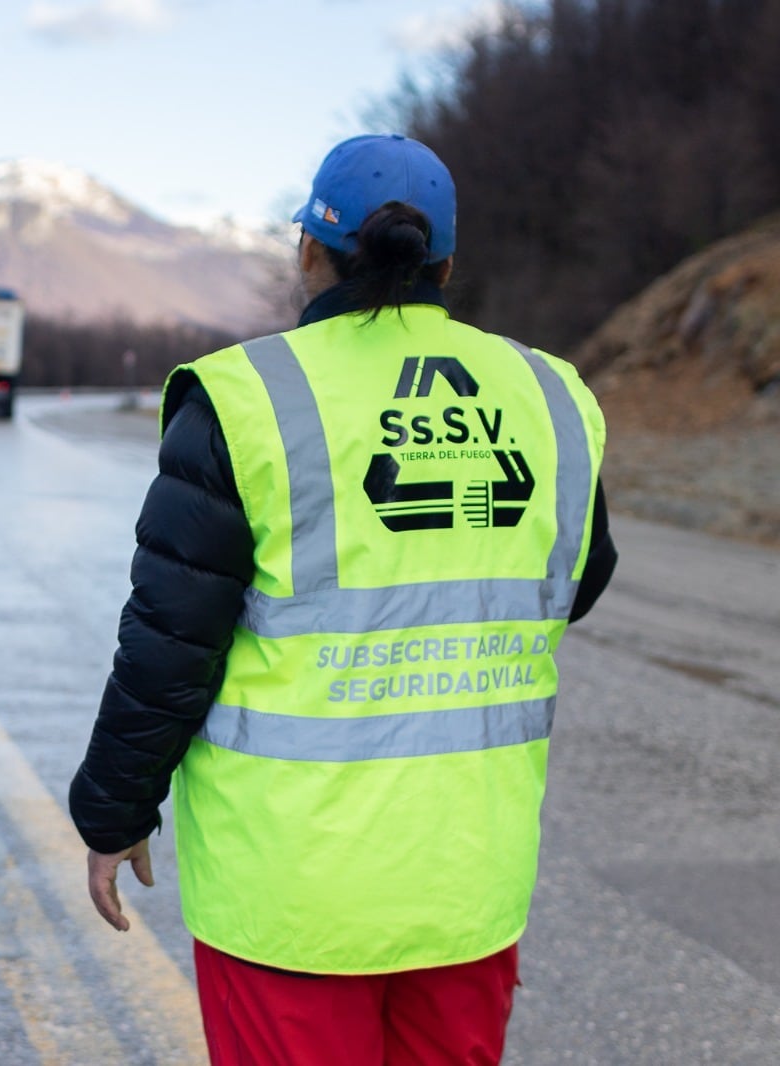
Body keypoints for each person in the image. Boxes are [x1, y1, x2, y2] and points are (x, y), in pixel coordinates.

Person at [68, 134, 618, 1065]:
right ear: (446, 261)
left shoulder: (248, 399)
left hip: (291, 894)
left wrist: (113, 814)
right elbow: (576, 580)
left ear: (309, 253)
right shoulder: (551, 394)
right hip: (466, 881)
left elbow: (171, 641)